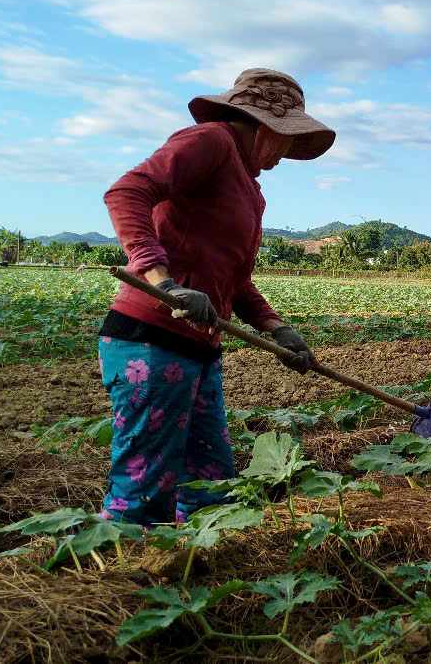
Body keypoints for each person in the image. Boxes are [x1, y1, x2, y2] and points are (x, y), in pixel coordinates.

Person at [98, 69, 335, 525]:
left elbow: (232, 278)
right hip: (153, 337)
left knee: (210, 485)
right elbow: (126, 192)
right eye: (286, 139)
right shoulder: (209, 142)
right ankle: (124, 579)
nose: (286, 153)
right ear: (264, 126)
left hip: (199, 347)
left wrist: (277, 328)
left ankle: (199, 575)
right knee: (145, 489)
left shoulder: (251, 190)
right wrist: (165, 283)